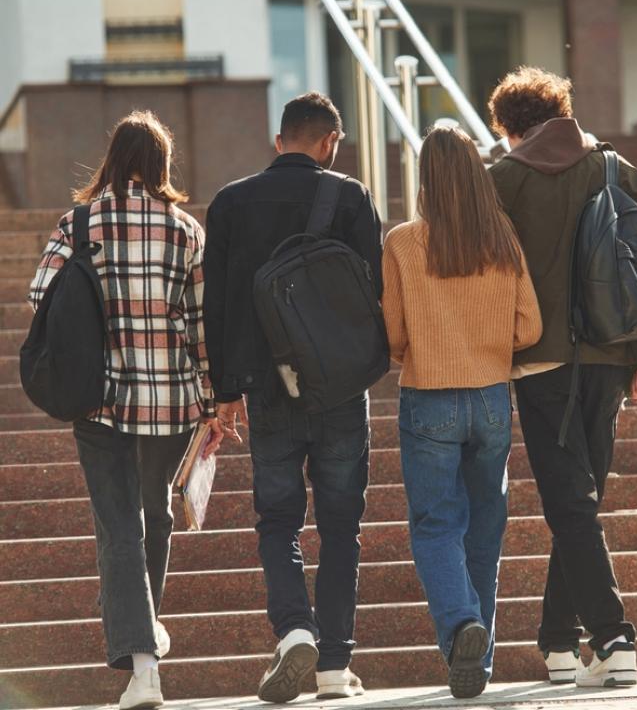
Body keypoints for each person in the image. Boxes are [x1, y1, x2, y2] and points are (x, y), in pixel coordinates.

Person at [487, 67, 637, 687]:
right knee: (580, 501)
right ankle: (560, 644)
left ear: (511, 127)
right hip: (613, 357)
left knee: (570, 504)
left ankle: (615, 638)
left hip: (541, 360)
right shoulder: (618, 169)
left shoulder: (505, 179)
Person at [28, 110, 221, 710]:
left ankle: (143, 666)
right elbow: (202, 325)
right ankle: (144, 646)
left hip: (100, 397)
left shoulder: (79, 222)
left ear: (113, 158)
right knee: (153, 516)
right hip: (170, 398)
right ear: (160, 164)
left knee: (120, 526)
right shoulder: (186, 229)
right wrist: (214, 404)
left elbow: (42, 296)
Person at [202, 92, 383, 703]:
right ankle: (333, 666)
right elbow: (373, 295)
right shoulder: (351, 197)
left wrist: (225, 393)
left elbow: (218, 305)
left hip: (266, 388)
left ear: (278, 141)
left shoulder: (229, 202)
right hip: (339, 388)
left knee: (278, 521)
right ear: (331, 143)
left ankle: (294, 631)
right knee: (341, 527)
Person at [382, 125, 542, 698]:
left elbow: (392, 333)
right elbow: (531, 326)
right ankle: (476, 658)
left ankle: (461, 627)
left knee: (435, 525)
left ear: (425, 179)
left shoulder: (402, 242)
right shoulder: (503, 238)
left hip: (429, 396)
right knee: (485, 528)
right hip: (493, 397)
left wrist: (423, 347)